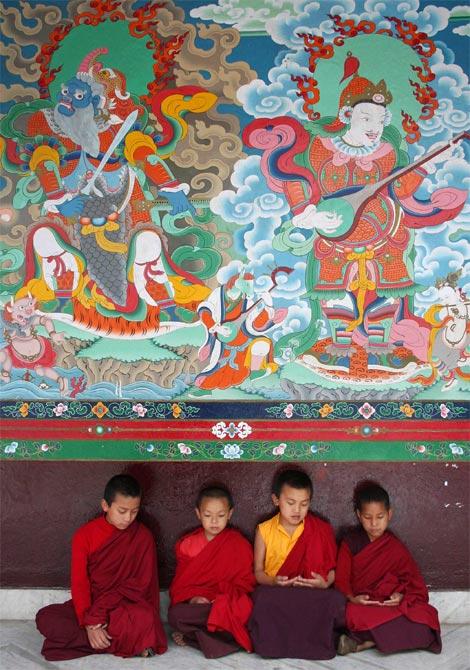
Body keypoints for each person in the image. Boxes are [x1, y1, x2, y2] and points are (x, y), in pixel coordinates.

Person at [36, 474, 167, 661]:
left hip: (123, 607)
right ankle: (125, 643)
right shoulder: (85, 536)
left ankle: (88, 642)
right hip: (92, 606)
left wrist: (98, 616)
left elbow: (140, 585)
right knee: (46, 617)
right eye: (122, 511)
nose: (128, 518)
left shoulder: (143, 537)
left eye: (134, 511)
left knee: (144, 618)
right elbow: (80, 582)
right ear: (105, 506)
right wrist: (89, 623)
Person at [335, 480, 441, 655]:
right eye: (368, 518)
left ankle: (366, 642)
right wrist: (352, 598)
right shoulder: (350, 543)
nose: (374, 524)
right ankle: (377, 639)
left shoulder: (394, 546)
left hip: (389, 605)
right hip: (363, 605)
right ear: (359, 515)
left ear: (389, 514)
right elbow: (341, 580)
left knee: (426, 615)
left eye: (380, 517)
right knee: (350, 615)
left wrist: (401, 596)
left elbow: (416, 587)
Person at [248, 469, 345, 660]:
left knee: (335, 599)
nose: (297, 510)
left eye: (304, 504)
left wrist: (325, 583)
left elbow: (335, 570)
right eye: (290, 503)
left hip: (311, 590)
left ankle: (309, 645)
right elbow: (258, 572)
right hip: (277, 591)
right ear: (276, 500)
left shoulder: (320, 529)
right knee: (261, 599)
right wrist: (274, 581)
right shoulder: (264, 530)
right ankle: (282, 645)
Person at [168, 485, 255, 658]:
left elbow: (246, 584)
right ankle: (221, 639)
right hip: (199, 609)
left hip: (224, 603)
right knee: (175, 616)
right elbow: (180, 586)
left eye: (221, 516)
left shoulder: (239, 544)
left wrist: (218, 599)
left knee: (246, 611)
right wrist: (194, 598)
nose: (214, 522)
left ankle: (195, 639)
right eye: (208, 516)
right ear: (198, 514)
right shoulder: (188, 544)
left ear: (230, 514)